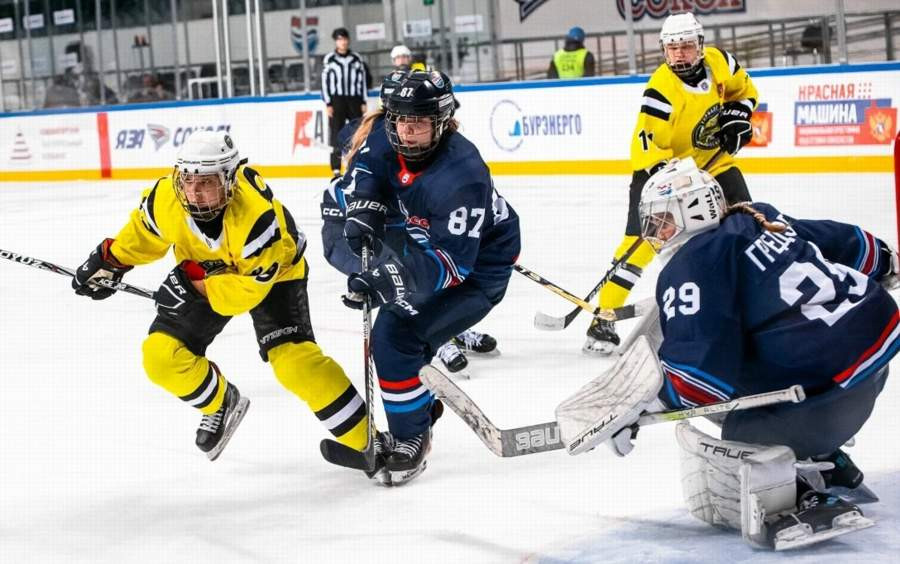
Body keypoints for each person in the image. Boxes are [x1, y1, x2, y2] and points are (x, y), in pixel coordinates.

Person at [620, 158, 897, 548]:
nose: (655, 233)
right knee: (763, 348)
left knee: (737, 426)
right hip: (873, 362)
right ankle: (827, 459)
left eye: (662, 220)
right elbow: (841, 240)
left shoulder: (692, 264)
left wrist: (643, 402)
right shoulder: (757, 218)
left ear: (693, 210)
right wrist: (884, 259)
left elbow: (699, 374)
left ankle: (802, 496)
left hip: (829, 401)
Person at [71, 130, 371, 462]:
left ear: (228, 180)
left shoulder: (256, 219)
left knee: (294, 363)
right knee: (160, 356)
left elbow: (248, 290)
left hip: (275, 275)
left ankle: (367, 441)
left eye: (206, 182)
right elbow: (143, 235)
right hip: (205, 272)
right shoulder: (166, 198)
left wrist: (192, 287)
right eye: (188, 180)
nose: (194, 192)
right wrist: (111, 261)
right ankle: (220, 403)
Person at [336, 70, 521, 484]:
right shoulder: (386, 136)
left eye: (418, 123)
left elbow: (452, 265)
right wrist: (364, 206)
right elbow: (368, 169)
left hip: (479, 270)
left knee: (395, 337)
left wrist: (387, 280)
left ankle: (412, 437)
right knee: (396, 340)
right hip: (425, 242)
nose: (406, 131)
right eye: (400, 120)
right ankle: (420, 408)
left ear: (442, 122)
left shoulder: (463, 173)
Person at [584, 12, 759, 355]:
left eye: (687, 46)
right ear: (664, 49)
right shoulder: (661, 90)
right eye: (672, 47)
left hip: (715, 164)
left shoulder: (721, 63)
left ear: (701, 46)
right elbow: (648, 148)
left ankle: (754, 300)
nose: (679, 54)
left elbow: (745, 93)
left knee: (746, 223)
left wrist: (738, 116)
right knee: (641, 244)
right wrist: (675, 179)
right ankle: (603, 316)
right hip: (660, 173)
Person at [322, 71, 496, 376]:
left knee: (431, 265)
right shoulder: (382, 138)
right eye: (405, 116)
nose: (410, 124)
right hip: (347, 231)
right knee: (407, 276)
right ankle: (436, 338)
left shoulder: (411, 136)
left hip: (393, 225)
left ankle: (448, 328)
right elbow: (356, 194)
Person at [321, 27, 373, 178]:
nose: (342, 42)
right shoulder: (329, 59)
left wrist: (363, 100)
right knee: (336, 133)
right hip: (336, 100)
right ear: (335, 41)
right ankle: (336, 168)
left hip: (354, 100)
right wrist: (328, 103)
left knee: (358, 132)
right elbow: (325, 82)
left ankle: (357, 163)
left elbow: (362, 81)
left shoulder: (356, 58)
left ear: (348, 40)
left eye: (344, 39)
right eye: (339, 39)